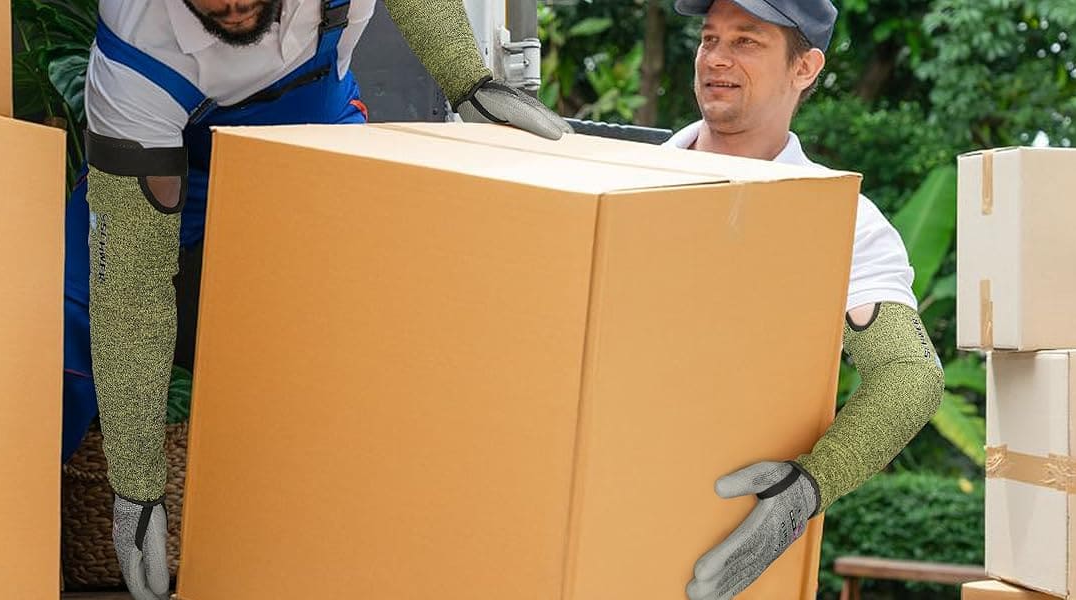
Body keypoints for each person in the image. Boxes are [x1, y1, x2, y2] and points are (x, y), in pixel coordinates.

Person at [63, 2, 570, 598]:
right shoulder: (136, 54)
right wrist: (136, 488)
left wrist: (467, 78)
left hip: (315, 132)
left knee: (345, 340)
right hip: (178, 163)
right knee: (62, 315)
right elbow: (133, 283)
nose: (230, 5)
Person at [663, 1, 944, 598]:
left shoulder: (844, 222)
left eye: (746, 42)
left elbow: (910, 376)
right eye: (709, 37)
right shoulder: (609, 175)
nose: (715, 57)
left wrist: (802, 494)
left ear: (805, 68)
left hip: (720, 531)